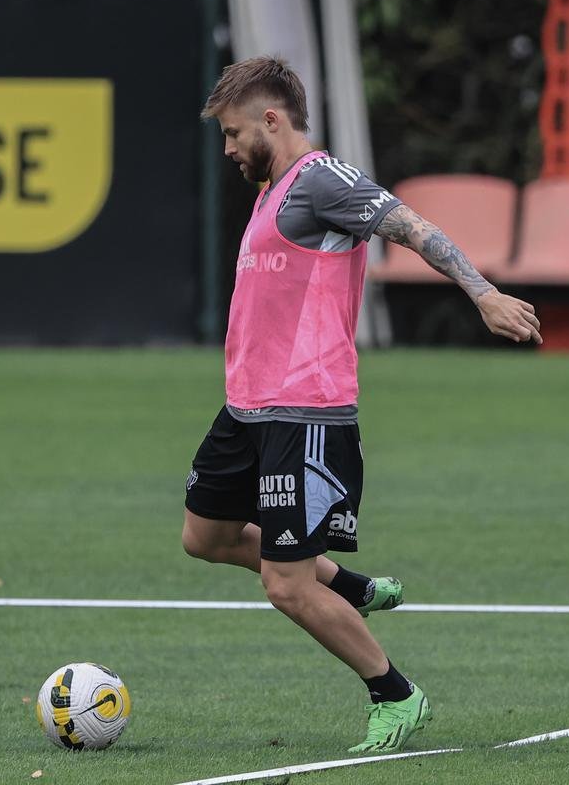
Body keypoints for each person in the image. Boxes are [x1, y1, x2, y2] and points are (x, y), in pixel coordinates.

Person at [187, 56, 542, 753]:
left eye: (232, 133)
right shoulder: (270, 190)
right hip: (247, 407)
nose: (227, 148)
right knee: (206, 537)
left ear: (270, 120)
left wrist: (483, 294)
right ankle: (350, 586)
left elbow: (413, 228)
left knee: (286, 586)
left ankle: (395, 693)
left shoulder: (323, 179)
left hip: (304, 412)